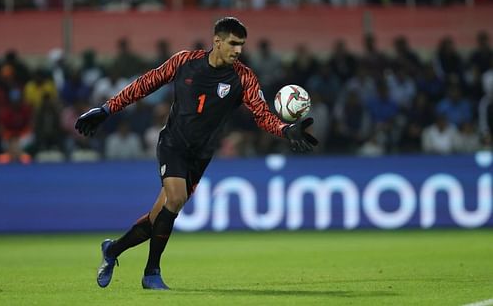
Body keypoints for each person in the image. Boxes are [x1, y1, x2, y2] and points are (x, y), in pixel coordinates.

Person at [75, 17, 317, 290]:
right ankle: (151, 273)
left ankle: (113, 250)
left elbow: (262, 116)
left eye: (241, 45)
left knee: (158, 218)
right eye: (233, 44)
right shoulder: (184, 62)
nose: (238, 50)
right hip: (173, 144)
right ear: (217, 41)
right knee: (175, 199)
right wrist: (107, 109)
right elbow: (144, 84)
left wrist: (286, 130)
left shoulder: (244, 78)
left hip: (200, 156)